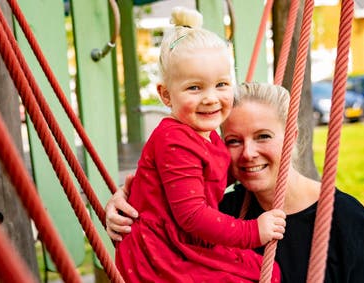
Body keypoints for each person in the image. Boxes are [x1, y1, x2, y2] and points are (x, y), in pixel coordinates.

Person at [107, 82, 364, 282]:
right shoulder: (220, 213)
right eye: (233, 141)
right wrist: (122, 208)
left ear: (292, 137)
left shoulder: (349, 225)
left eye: (263, 136)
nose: (248, 153)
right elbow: (157, 244)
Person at [114, 7, 286, 283]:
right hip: (163, 253)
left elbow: (214, 172)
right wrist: (253, 232)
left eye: (221, 84)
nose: (210, 98)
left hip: (184, 243)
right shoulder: (174, 140)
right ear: (166, 95)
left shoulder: (207, 136)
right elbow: (192, 215)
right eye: (194, 88)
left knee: (267, 272)